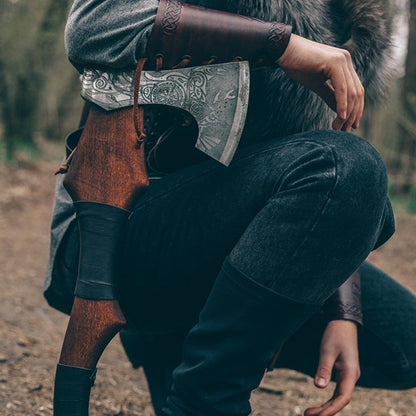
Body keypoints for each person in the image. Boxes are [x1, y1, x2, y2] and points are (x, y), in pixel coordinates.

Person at [45, 1, 416, 415]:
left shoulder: (349, 22)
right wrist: (282, 46)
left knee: (405, 344)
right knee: (347, 162)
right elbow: (91, 29)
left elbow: (326, 175)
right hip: (117, 231)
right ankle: (206, 399)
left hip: (240, 241)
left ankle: (206, 360)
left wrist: (342, 305)